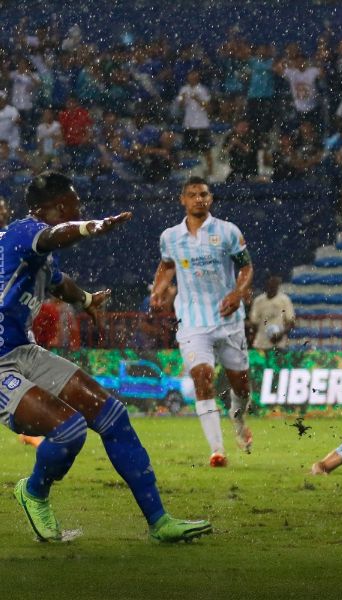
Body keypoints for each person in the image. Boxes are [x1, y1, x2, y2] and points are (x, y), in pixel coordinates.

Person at [2, 172, 211, 542]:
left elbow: (58, 282)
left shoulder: (34, 254)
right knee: (68, 431)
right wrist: (92, 228)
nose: (78, 207)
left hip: (23, 349)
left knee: (113, 415)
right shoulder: (25, 231)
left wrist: (85, 300)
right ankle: (33, 492)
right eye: (71, 203)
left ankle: (160, 522)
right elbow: (55, 235)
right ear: (49, 208)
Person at [150, 176, 254, 466]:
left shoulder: (228, 232)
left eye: (204, 194)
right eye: (193, 194)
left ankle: (238, 417)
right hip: (193, 322)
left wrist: (238, 292)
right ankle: (217, 450)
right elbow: (167, 265)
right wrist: (158, 290)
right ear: (183, 200)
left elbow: (246, 266)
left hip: (228, 320)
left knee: (241, 386)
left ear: (211, 198)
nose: (199, 199)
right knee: (201, 377)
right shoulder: (170, 237)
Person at [249, 275, 295, 351]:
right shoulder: (258, 301)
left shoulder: (285, 300)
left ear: (278, 285)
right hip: (261, 344)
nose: (272, 286)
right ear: (266, 284)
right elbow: (253, 322)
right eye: (270, 284)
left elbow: (291, 322)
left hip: (279, 344)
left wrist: (280, 334)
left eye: (274, 284)